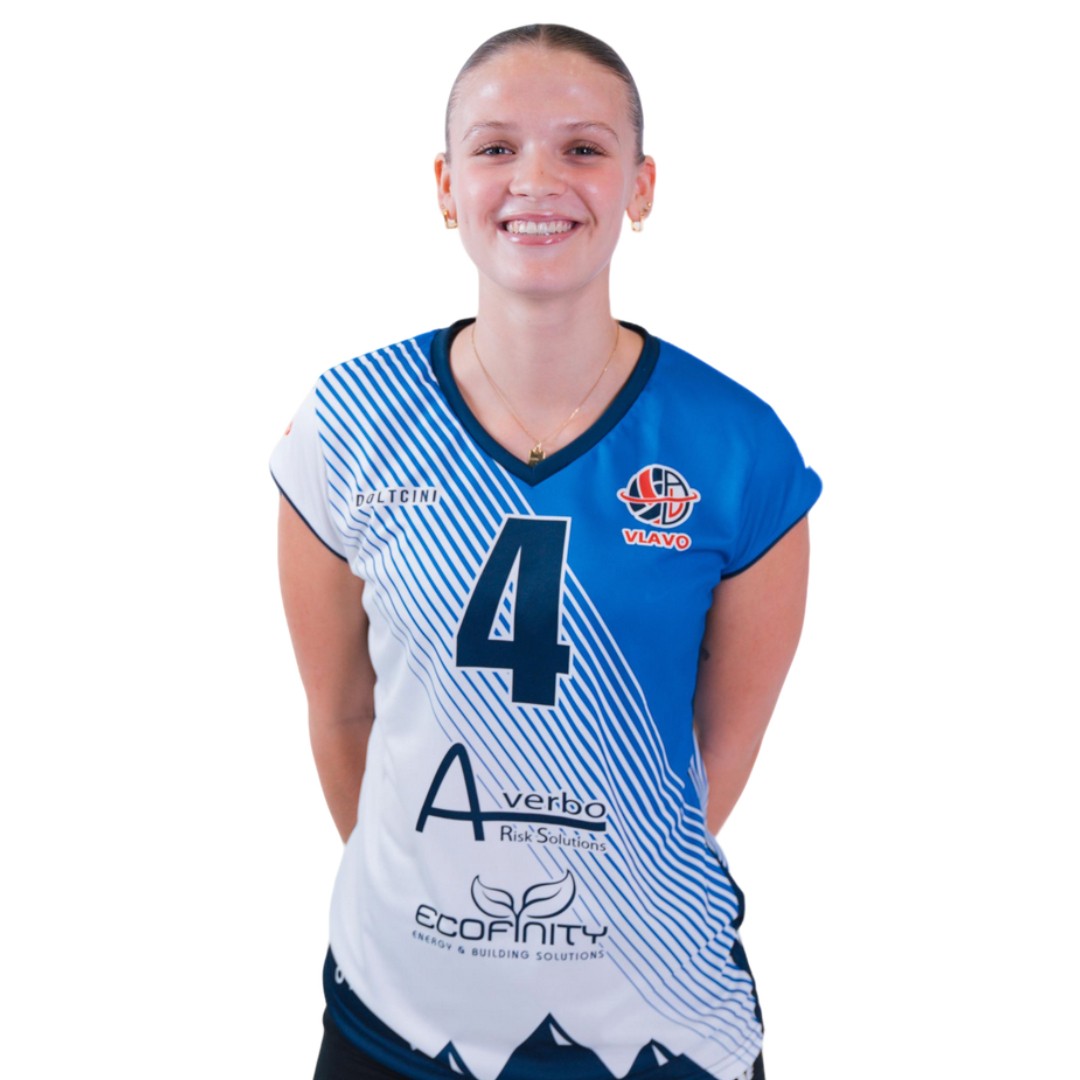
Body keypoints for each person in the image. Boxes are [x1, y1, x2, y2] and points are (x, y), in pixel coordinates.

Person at [273, 24, 820, 1080]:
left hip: (660, 1026)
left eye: (582, 148)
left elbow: (717, 754)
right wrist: (436, 899)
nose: (536, 180)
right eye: (494, 148)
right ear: (446, 186)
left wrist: (588, 895)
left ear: (640, 185)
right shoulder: (349, 421)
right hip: (394, 1021)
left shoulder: (737, 447)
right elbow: (340, 716)